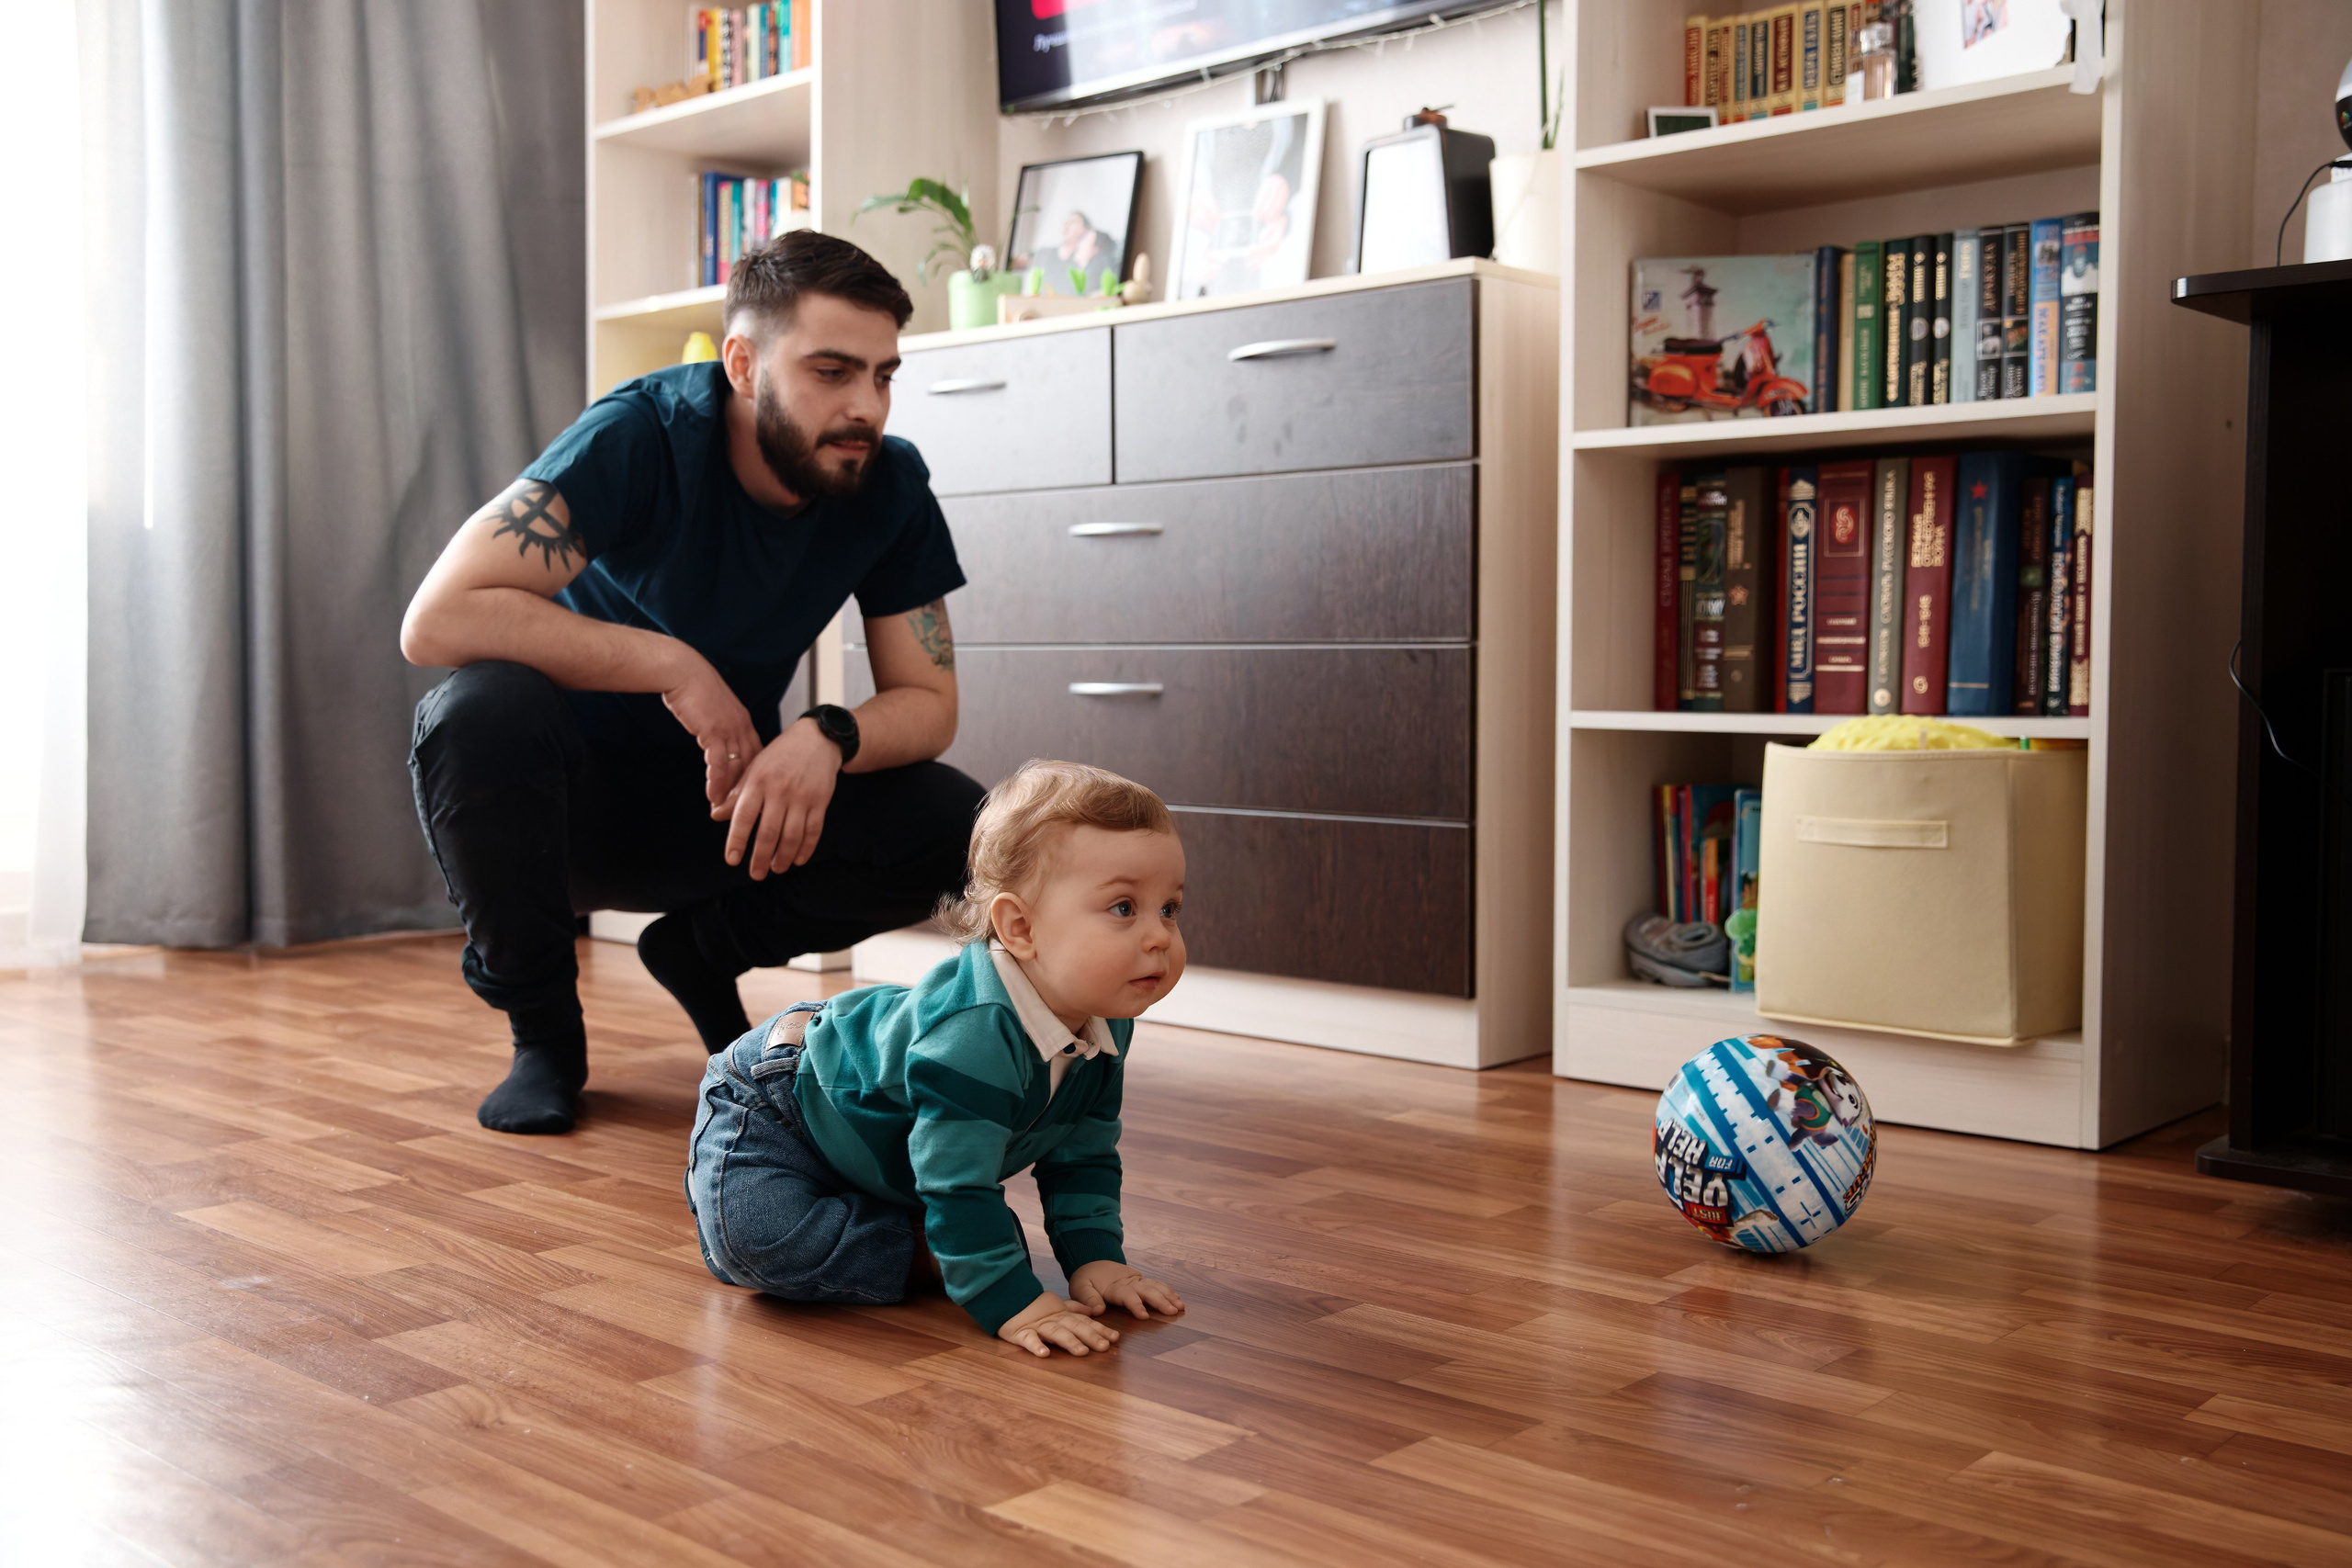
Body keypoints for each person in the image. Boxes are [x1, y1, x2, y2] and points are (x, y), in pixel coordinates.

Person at [401, 231, 983, 1135]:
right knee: (475, 712)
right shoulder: (644, 436)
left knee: (959, 827)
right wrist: (675, 666)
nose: (864, 407)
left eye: (882, 375)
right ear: (743, 364)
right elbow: (436, 619)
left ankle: (699, 952)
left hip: (724, 808)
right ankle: (545, 1035)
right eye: (831, 371)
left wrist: (825, 736)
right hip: (560, 815)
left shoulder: (887, 482)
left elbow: (928, 702)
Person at [684, 761, 1189, 1356]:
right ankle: (935, 1247)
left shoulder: (1107, 1020)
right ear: (1020, 927)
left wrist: (1098, 1259)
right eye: (1124, 908)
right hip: (775, 1104)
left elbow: (1084, 1152)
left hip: (884, 1132)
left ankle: (944, 1237)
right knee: (756, 1239)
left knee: (964, 1208)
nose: (1158, 936)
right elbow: (958, 1181)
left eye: (1169, 908)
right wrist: (1010, 1297)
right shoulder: (973, 1038)